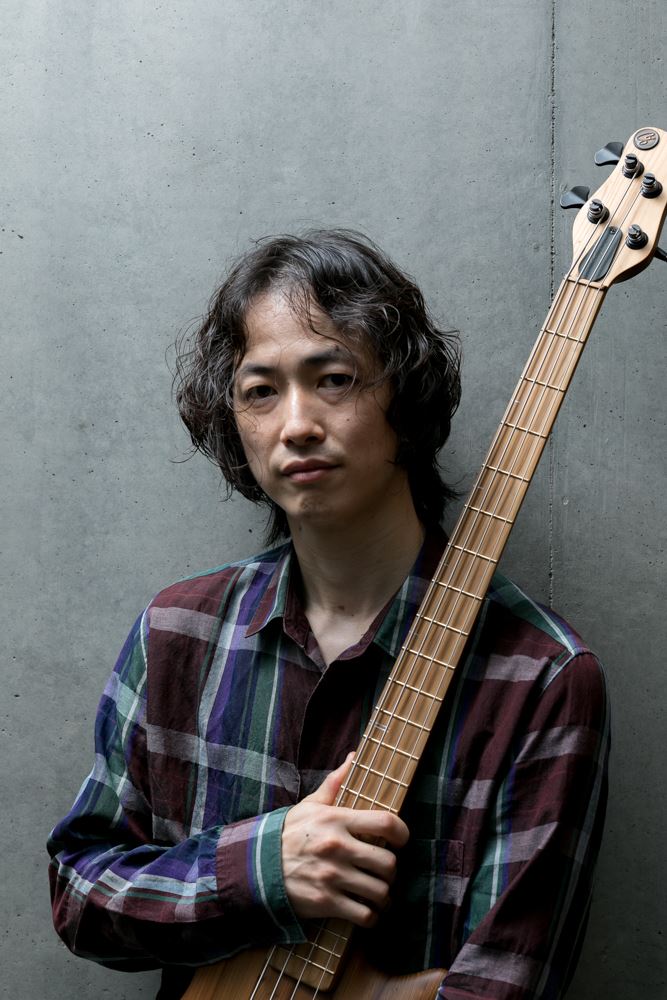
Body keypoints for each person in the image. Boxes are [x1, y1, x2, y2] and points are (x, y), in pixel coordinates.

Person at [48, 230, 609, 1000]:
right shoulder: (176, 634)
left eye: (334, 379)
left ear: (403, 398)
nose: (296, 424)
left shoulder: (542, 678)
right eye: (260, 391)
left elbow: (505, 982)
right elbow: (79, 897)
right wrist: (261, 869)